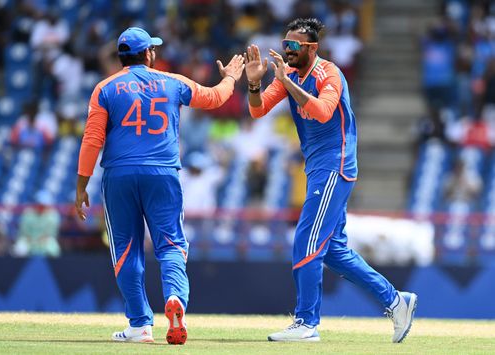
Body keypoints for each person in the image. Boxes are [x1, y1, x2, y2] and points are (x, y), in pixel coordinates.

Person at [244, 18, 417, 343]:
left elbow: (324, 111)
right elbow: (258, 110)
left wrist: (286, 81)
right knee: (334, 251)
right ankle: (396, 301)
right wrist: (255, 84)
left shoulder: (329, 73)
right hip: (317, 168)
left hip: (335, 165)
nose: (287, 51)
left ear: (311, 48)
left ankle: (307, 323)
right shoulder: (290, 76)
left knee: (307, 241)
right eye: (285, 45)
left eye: (293, 46)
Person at [75, 27, 244, 345]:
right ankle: (176, 298)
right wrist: (231, 78)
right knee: (170, 245)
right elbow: (214, 98)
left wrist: (81, 185)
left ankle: (139, 325)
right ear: (149, 54)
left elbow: (92, 139)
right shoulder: (173, 82)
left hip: (120, 175)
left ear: (121, 56)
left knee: (125, 249)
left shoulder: (105, 88)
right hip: (163, 173)